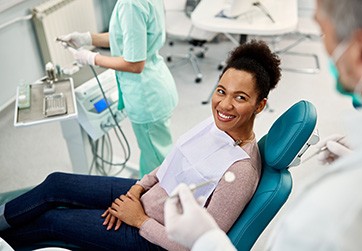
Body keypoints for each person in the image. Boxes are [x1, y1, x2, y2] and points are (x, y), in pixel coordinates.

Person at [0, 40, 281, 250]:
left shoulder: (241, 172)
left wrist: (137, 219)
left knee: (54, 221)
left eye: (240, 97)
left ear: (260, 105)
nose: (225, 104)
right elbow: (171, 164)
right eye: (221, 91)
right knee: (57, 183)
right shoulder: (216, 125)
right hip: (146, 195)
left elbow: (198, 244)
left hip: (151, 236)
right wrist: (136, 189)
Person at [163, 0, 362, 250]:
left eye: (323, 32)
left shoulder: (334, 218)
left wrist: (205, 242)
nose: (225, 104)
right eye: (221, 91)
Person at [59, 0, 179, 177]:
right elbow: (127, 36)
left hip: (146, 94)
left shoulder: (131, 4)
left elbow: (135, 64)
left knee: (157, 166)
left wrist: (92, 58)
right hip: (157, 83)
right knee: (156, 152)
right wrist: (87, 38)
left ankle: (157, 201)